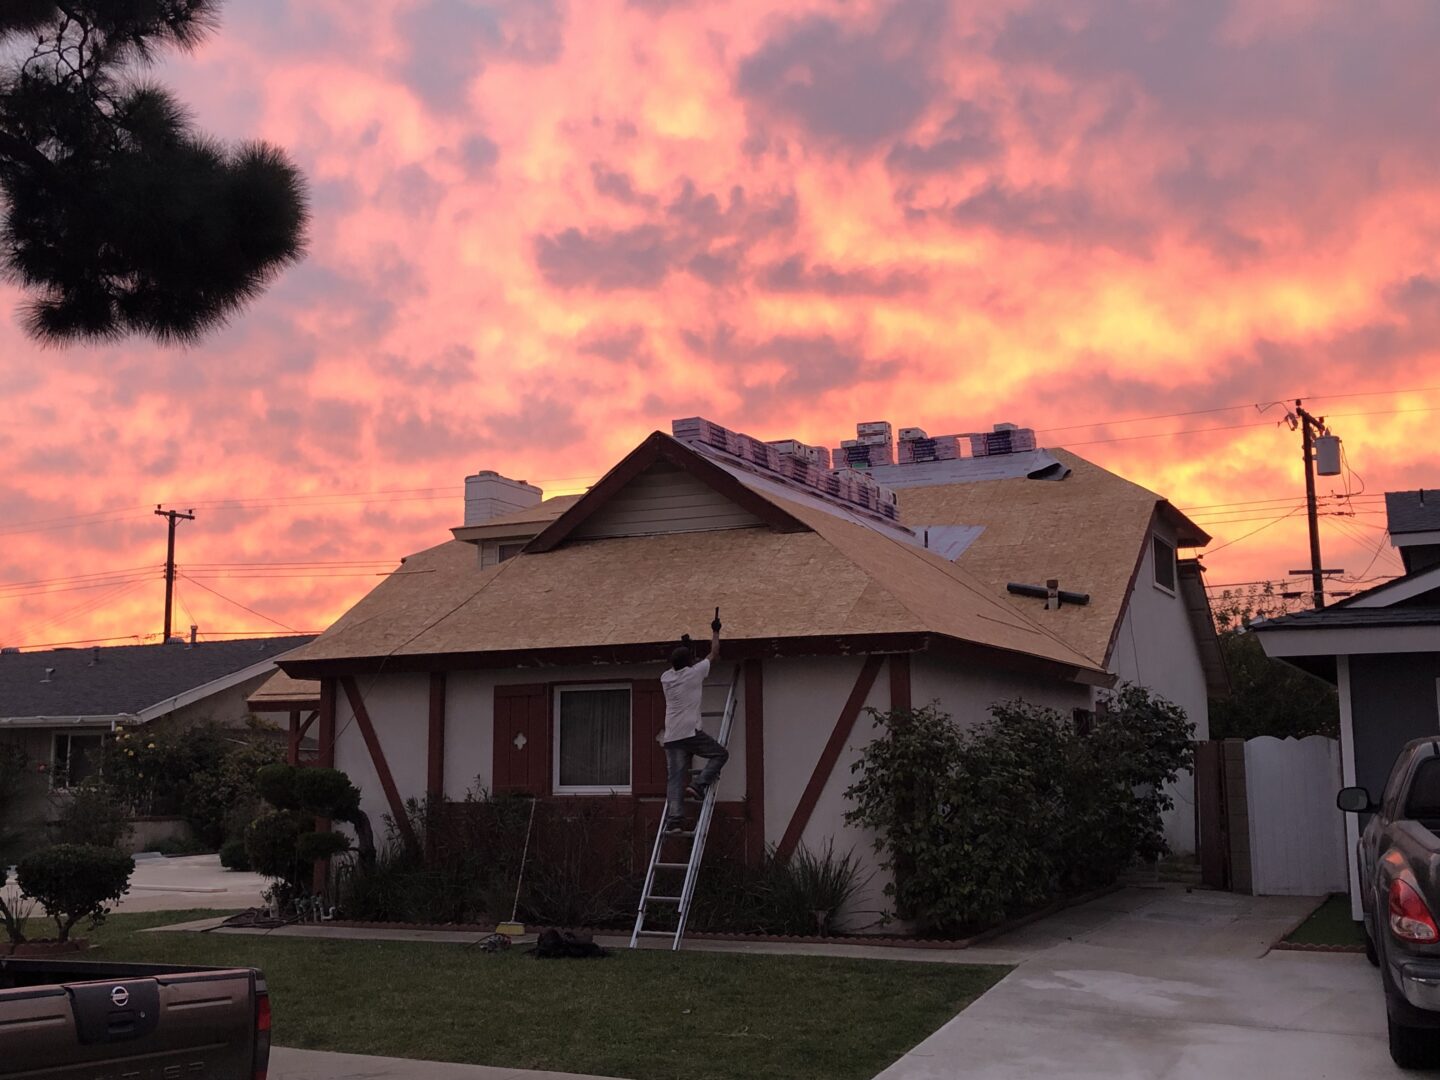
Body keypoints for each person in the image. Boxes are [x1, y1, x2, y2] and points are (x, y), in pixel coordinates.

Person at [659, 610, 728, 831]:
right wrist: (715, 630)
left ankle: (674, 821)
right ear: (689, 663)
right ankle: (699, 785)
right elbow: (714, 654)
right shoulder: (694, 674)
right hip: (689, 732)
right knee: (720, 754)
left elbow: (681, 663)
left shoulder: (666, 677)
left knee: (675, 779)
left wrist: (686, 648)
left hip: (671, 736)